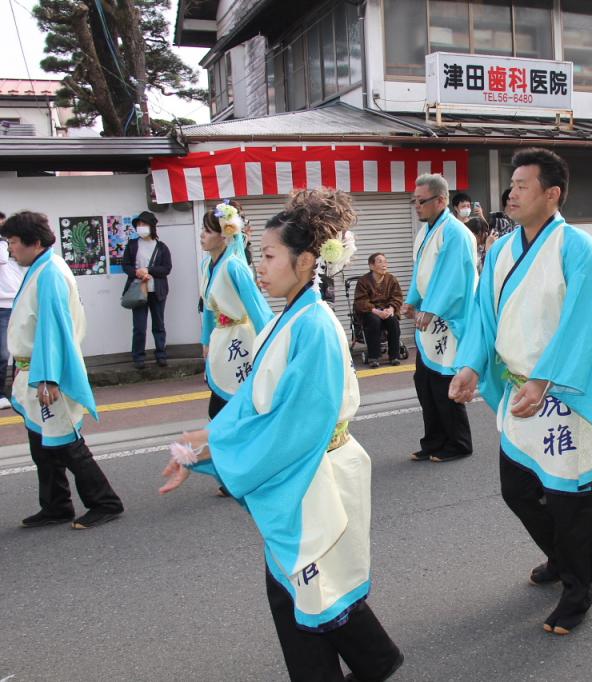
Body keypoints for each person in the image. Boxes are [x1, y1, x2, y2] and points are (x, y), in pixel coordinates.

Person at [158, 189, 404, 682]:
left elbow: (292, 426)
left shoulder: (311, 325)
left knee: (304, 591)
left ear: (307, 259)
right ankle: (377, 661)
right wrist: (201, 442)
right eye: (260, 255)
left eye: (270, 256)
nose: (261, 266)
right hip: (310, 469)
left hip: (317, 474)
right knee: (310, 588)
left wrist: (218, 453)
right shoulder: (288, 320)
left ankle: (373, 662)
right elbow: (253, 406)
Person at [449, 147, 592, 636]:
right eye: (512, 185)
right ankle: (562, 557)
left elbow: (586, 325)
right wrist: (469, 366)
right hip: (518, 392)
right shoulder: (500, 250)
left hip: (563, 396)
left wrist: (545, 379)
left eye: (523, 185)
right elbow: (484, 315)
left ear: (552, 193)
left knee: (571, 500)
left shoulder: (579, 249)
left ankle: (578, 590)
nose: (511, 193)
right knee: (517, 489)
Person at [3, 211, 124, 529]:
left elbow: (52, 329)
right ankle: (56, 504)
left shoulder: (50, 273)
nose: (10, 249)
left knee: (67, 443)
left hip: (46, 372)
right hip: (36, 370)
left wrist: (48, 377)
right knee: (42, 444)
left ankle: (105, 502)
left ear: (34, 242)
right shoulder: (42, 267)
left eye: (13, 242)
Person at [402, 173, 478, 463]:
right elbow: (422, 272)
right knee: (424, 381)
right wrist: (412, 302)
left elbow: (453, 279)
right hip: (430, 319)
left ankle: (458, 443)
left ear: (441, 200)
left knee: (445, 382)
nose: (416, 206)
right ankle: (433, 440)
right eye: (414, 201)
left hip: (449, 320)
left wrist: (429, 308)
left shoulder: (455, 233)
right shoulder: (427, 231)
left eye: (421, 201)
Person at [199, 203, 273, 420]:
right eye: (202, 230)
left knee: (230, 402)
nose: (202, 235)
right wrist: (205, 341)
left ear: (224, 235)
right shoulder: (206, 265)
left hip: (240, 339)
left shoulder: (234, 266)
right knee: (224, 404)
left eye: (208, 231)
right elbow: (208, 307)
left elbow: (257, 308)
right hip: (222, 339)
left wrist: (270, 343)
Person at [122, 211, 173, 369]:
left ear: (152, 226)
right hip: (138, 290)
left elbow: (166, 268)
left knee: (159, 324)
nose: (140, 227)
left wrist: (148, 270)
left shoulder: (161, 247)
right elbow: (126, 265)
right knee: (139, 326)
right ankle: (138, 357)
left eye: (143, 224)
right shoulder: (132, 245)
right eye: (138, 225)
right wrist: (137, 272)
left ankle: (161, 354)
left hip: (157, 291)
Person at [354, 252, 405, 368]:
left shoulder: (391, 279)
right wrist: (376, 311)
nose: (384, 264)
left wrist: (391, 309)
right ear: (371, 266)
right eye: (380, 262)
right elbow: (361, 301)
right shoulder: (363, 281)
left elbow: (397, 297)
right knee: (374, 321)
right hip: (370, 312)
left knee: (393, 321)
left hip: (387, 310)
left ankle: (394, 356)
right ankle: (374, 357)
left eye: (385, 261)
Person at [0, 210, 26, 410]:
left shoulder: (16, 248)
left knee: (22, 352)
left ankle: (19, 389)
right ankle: (1, 393)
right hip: (2, 306)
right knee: (2, 353)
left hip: (18, 303)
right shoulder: (4, 247)